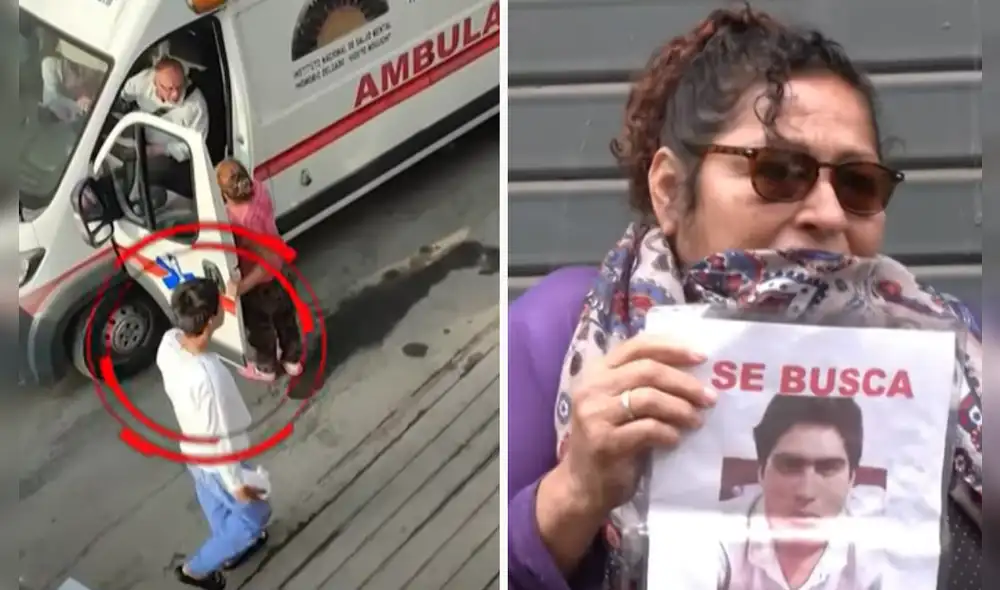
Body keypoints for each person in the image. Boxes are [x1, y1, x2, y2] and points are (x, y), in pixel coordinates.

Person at [506, 6, 982, 590]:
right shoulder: (555, 335)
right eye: (778, 171)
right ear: (671, 191)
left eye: (858, 183)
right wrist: (573, 493)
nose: (828, 215)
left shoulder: (959, 353)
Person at [156, 278, 271, 589]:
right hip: (218, 461)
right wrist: (237, 485)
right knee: (254, 516)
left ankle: (230, 549)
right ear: (209, 321)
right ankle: (196, 570)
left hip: (193, 453)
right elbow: (221, 440)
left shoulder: (169, 343)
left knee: (218, 509)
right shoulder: (209, 377)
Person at [717, 395, 879, 590]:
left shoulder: (877, 554)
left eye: (827, 468)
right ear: (761, 472)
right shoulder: (717, 533)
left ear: (851, 478)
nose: (806, 492)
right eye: (789, 466)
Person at [216, 159, 304, 382]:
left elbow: (267, 262)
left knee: (261, 330)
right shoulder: (260, 190)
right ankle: (292, 360)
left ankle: (267, 368)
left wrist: (241, 287)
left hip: (259, 284)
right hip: (283, 272)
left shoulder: (236, 219)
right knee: (286, 319)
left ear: (223, 193)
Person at [119, 56, 209, 200]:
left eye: (179, 87)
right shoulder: (142, 81)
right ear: (155, 82)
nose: (175, 95)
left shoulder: (196, 106)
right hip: (136, 135)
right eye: (169, 88)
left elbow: (195, 147)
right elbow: (122, 97)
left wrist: (159, 150)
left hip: (168, 157)